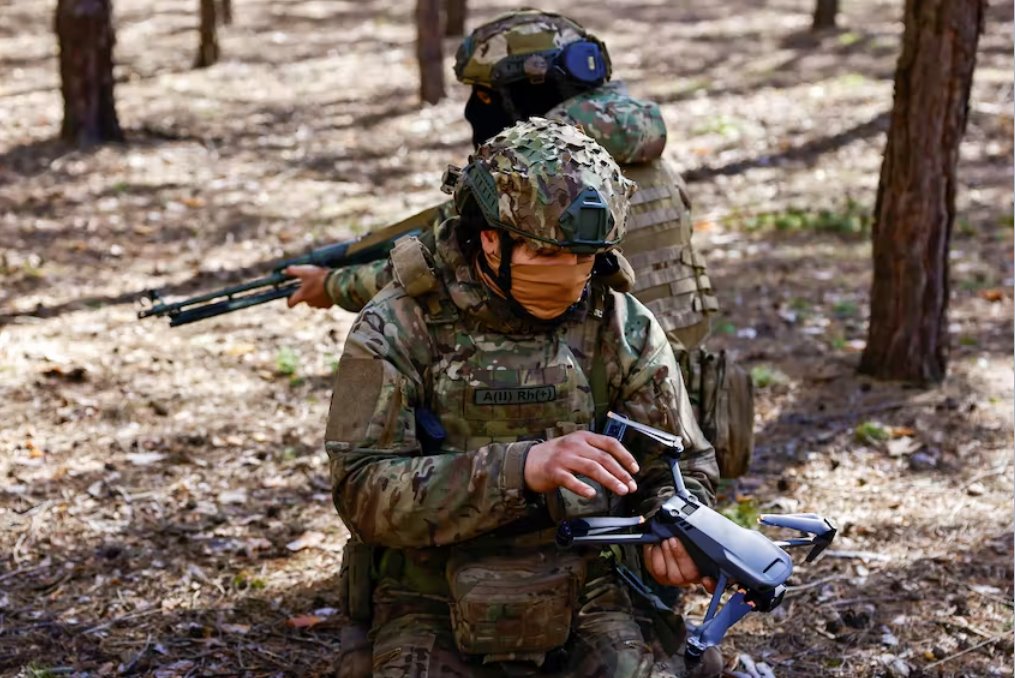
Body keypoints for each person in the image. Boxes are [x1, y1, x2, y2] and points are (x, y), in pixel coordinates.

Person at [324, 118, 722, 677]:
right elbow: (361, 492)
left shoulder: (620, 324)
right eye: (544, 254)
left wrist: (673, 526)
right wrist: (523, 468)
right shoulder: (398, 325)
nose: (569, 277)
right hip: (431, 589)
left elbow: (681, 464)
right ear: (489, 237)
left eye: (584, 259)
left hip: (592, 583)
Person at [290, 8, 752, 478]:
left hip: (600, 407)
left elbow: (429, 273)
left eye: (486, 94)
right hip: (679, 398)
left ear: (525, 91)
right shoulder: (647, 159)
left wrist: (330, 285)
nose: (476, 109)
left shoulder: (548, 182)